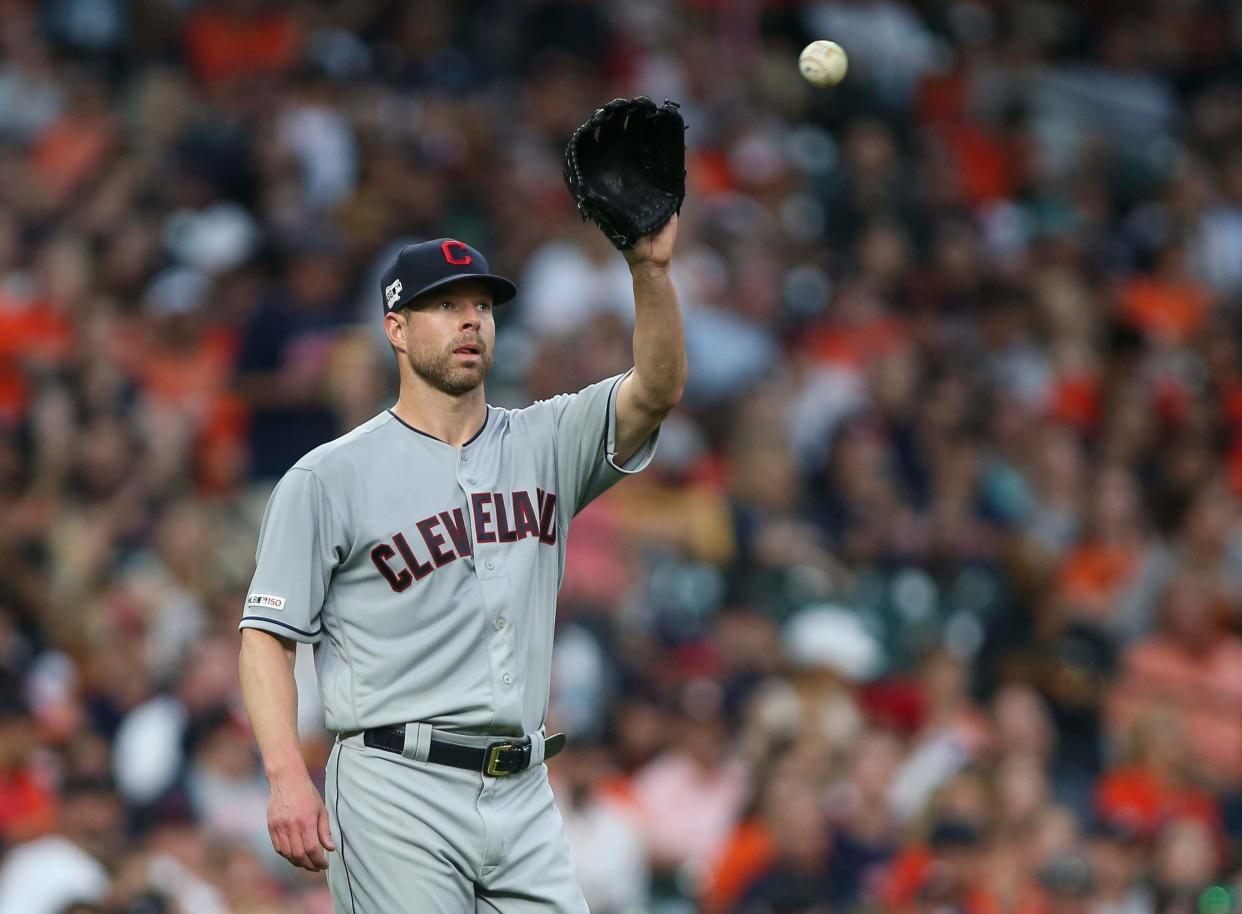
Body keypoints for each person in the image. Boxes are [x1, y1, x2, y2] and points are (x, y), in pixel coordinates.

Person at [237, 218, 686, 912]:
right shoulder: (328, 477)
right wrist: (285, 774)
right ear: (396, 329)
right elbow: (266, 636)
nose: (470, 320)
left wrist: (649, 274)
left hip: (525, 786)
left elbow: (655, 390)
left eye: (481, 304)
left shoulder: (545, 441)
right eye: (445, 305)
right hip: (395, 785)